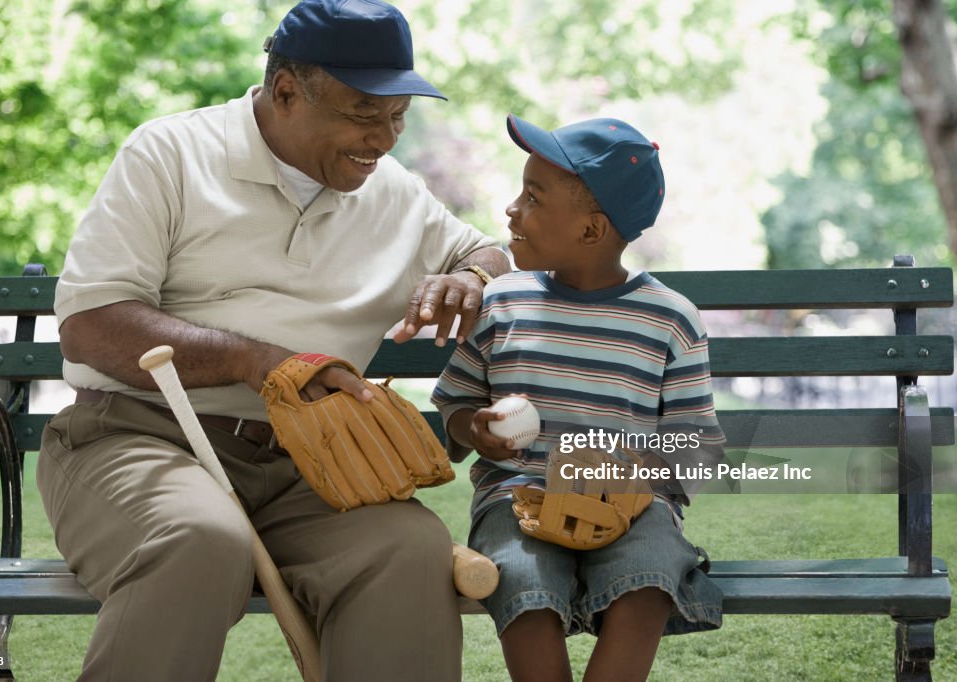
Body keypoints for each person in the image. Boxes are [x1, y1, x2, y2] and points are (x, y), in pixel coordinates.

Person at [37, 1, 509, 680]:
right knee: (198, 541)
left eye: (398, 117)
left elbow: (488, 251)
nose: (383, 139)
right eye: (363, 113)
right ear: (286, 91)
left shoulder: (394, 193)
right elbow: (91, 324)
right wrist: (259, 362)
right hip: (140, 439)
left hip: (314, 467)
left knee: (409, 551)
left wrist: (470, 275)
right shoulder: (170, 153)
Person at [432, 114, 725, 682]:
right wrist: (478, 429)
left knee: (650, 577)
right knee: (518, 575)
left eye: (533, 197)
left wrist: (638, 472)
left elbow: (698, 447)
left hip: (632, 506)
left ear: (591, 231)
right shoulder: (502, 303)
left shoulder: (669, 318)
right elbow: (457, 407)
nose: (512, 209)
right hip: (518, 500)